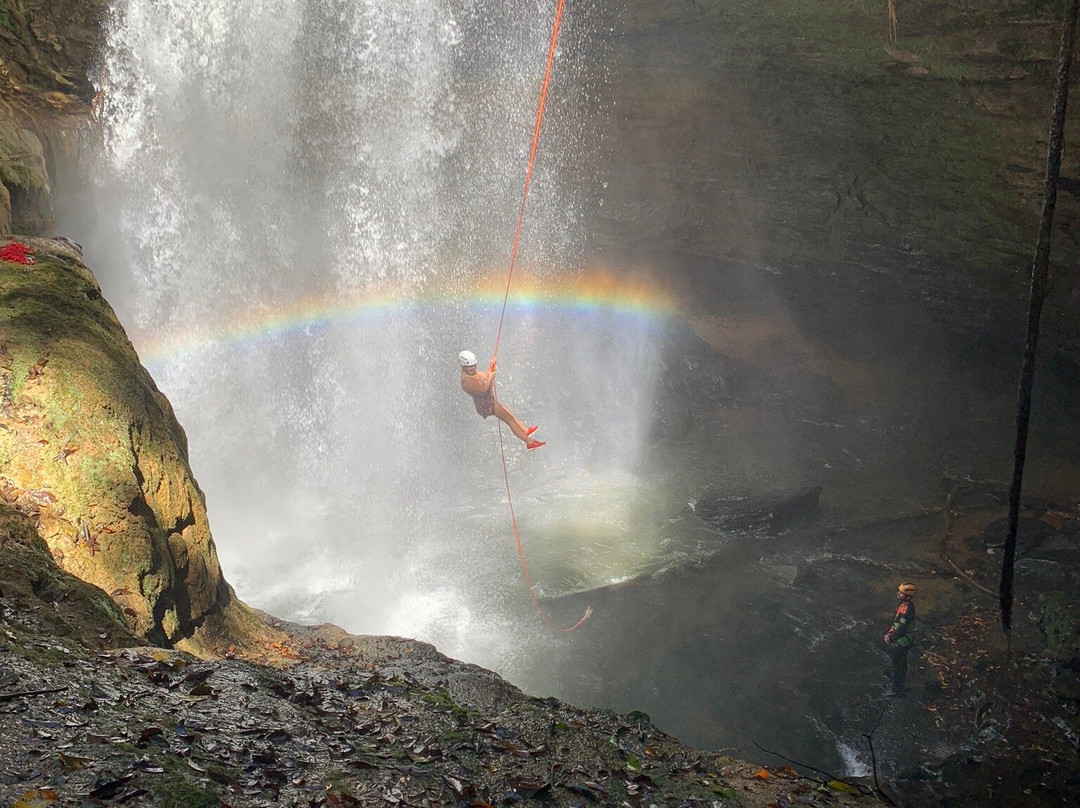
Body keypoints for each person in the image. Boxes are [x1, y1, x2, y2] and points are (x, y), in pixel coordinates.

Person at [459, 350, 545, 450]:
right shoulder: (467, 380)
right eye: (470, 367)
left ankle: (525, 430)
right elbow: (483, 389)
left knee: (506, 410)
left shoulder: (471, 373)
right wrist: (490, 377)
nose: (473, 368)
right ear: (463, 366)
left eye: (474, 365)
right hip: (486, 405)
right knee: (510, 420)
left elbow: (484, 376)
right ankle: (529, 442)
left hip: (489, 401)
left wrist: (491, 367)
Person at [883, 582, 917, 695]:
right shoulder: (904, 606)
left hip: (903, 641)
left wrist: (891, 637)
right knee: (900, 663)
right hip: (901, 639)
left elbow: (902, 628)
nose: (898, 594)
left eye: (901, 593)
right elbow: (897, 623)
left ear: (907, 596)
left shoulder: (908, 610)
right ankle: (898, 683)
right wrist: (890, 633)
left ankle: (896, 689)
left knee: (897, 665)